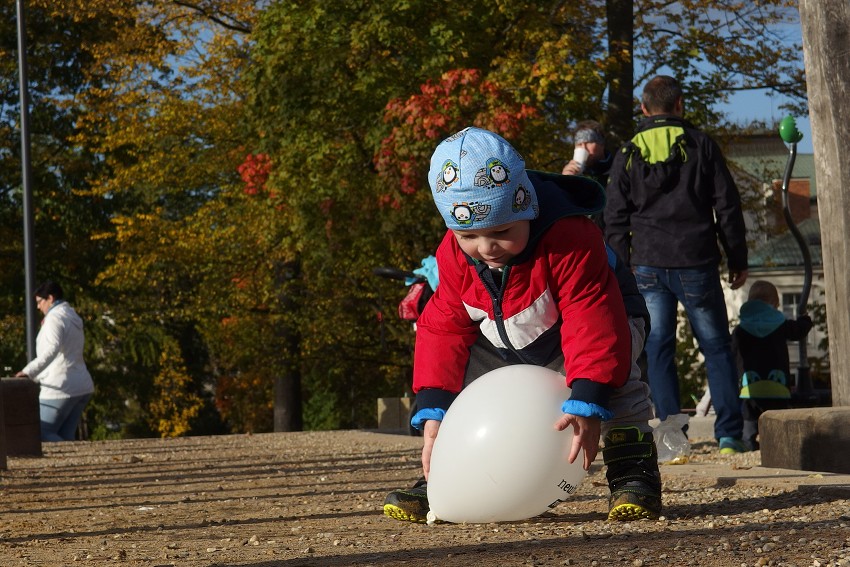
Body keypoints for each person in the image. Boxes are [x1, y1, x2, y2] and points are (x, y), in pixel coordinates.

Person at [383, 127, 661, 524]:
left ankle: (633, 471)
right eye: (468, 235)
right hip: (513, 335)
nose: (485, 247)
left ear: (526, 208)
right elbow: (443, 326)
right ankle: (446, 478)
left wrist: (588, 391)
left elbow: (590, 314)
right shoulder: (454, 256)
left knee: (617, 383)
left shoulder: (569, 238)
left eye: (501, 232)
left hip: (605, 320)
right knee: (462, 380)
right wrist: (435, 406)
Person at [604, 75, 750, 454]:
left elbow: (615, 218)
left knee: (657, 349)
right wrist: (738, 259)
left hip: (648, 265)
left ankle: (672, 439)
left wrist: (623, 271)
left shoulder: (628, 152)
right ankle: (731, 435)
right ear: (680, 105)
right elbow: (728, 206)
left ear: (643, 108)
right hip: (697, 261)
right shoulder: (701, 145)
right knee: (717, 348)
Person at [732, 280, 812, 451]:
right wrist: (805, 319)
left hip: (749, 388)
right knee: (779, 417)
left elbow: (731, 352)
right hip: (778, 387)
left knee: (749, 418)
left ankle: (749, 442)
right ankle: (780, 444)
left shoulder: (740, 330)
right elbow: (798, 330)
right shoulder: (781, 325)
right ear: (775, 303)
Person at [14, 281, 94, 442]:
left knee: (41, 433)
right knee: (65, 436)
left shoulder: (54, 318)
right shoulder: (72, 316)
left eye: (39, 302)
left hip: (60, 387)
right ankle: (77, 465)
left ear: (50, 298)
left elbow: (52, 350)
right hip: (82, 386)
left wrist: (28, 372)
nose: (38, 307)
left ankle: (78, 463)